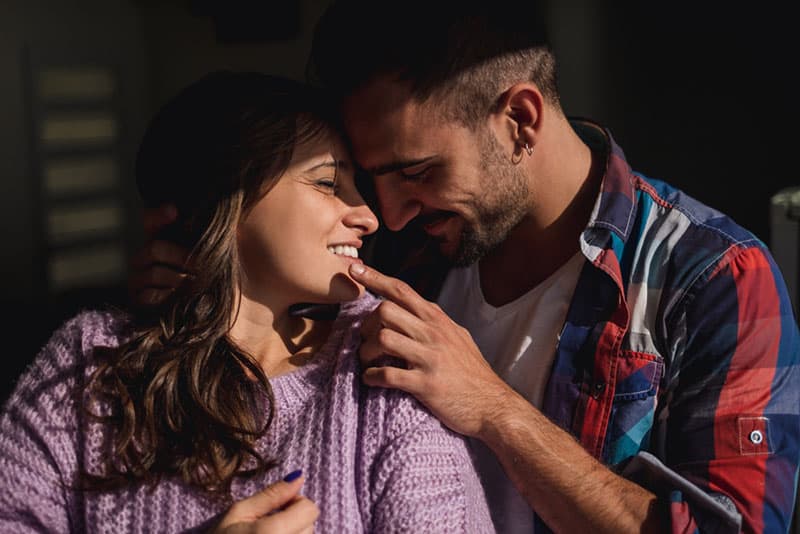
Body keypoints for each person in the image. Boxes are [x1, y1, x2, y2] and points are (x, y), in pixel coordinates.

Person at [131, 2, 800, 533]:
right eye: (368, 178)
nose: (386, 214)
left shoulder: (713, 279)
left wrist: (494, 410)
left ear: (519, 119)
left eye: (416, 171)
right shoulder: (401, 254)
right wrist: (207, 280)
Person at [0, 70, 495, 533]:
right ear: (226, 198)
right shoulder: (91, 366)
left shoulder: (384, 374)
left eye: (355, 188)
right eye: (327, 183)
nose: (368, 216)